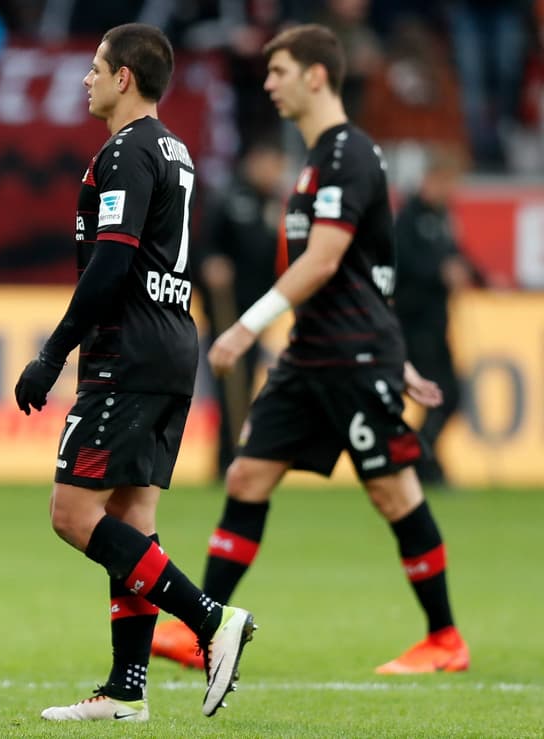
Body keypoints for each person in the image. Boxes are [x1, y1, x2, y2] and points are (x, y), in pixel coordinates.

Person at [152, 24, 470, 675]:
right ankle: (204, 629)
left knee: (394, 493)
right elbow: (369, 264)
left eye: (279, 72)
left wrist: (245, 325)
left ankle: (444, 638)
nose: (268, 84)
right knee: (245, 474)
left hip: (352, 357)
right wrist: (399, 352)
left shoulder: (348, 153)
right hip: (313, 354)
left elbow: (326, 261)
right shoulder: (316, 159)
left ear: (317, 76)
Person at [12, 23, 255, 724]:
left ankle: (210, 620)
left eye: (95, 68)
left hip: (131, 351)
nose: (85, 79)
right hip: (173, 343)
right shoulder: (174, 150)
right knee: (132, 519)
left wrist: (53, 353)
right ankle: (127, 686)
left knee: (72, 512)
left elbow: (111, 264)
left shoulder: (127, 151)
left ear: (125, 78)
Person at [196, 139, 287, 477]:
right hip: (227, 308)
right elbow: (201, 246)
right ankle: (226, 458)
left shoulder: (275, 202)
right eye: (271, 164)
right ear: (254, 161)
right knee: (228, 382)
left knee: (247, 382)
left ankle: (237, 454)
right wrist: (210, 264)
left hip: (259, 309)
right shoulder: (227, 197)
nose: (274, 173)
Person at [393, 147, 475, 487]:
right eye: (446, 182)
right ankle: (422, 460)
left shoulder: (443, 217)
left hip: (437, 321)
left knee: (450, 395)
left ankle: (420, 455)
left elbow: (457, 256)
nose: (450, 190)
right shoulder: (408, 217)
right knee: (439, 393)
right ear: (430, 180)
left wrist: (478, 275)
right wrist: (439, 272)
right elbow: (402, 262)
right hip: (412, 321)